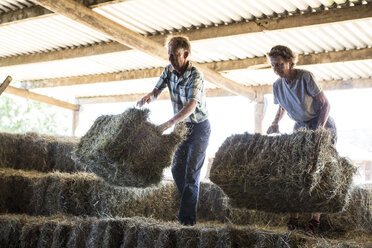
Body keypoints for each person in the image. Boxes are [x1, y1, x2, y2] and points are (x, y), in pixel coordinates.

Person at [137, 36, 211, 226]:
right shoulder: (168, 71)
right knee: (177, 169)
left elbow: (191, 106)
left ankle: (186, 223)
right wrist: (148, 97)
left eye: (175, 55)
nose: (170, 59)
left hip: (199, 128)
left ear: (186, 55)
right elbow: (156, 91)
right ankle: (191, 203)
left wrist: (168, 124)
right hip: (181, 128)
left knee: (192, 173)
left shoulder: (196, 75)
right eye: (169, 55)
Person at [266, 45, 337, 234]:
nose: (276, 69)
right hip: (300, 126)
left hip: (321, 123)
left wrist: (318, 130)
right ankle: (294, 217)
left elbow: (326, 104)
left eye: (279, 65)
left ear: (291, 62)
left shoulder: (306, 77)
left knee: (318, 172)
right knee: (296, 172)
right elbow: (282, 106)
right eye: (273, 66)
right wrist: (274, 123)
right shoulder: (277, 85)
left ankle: (315, 220)